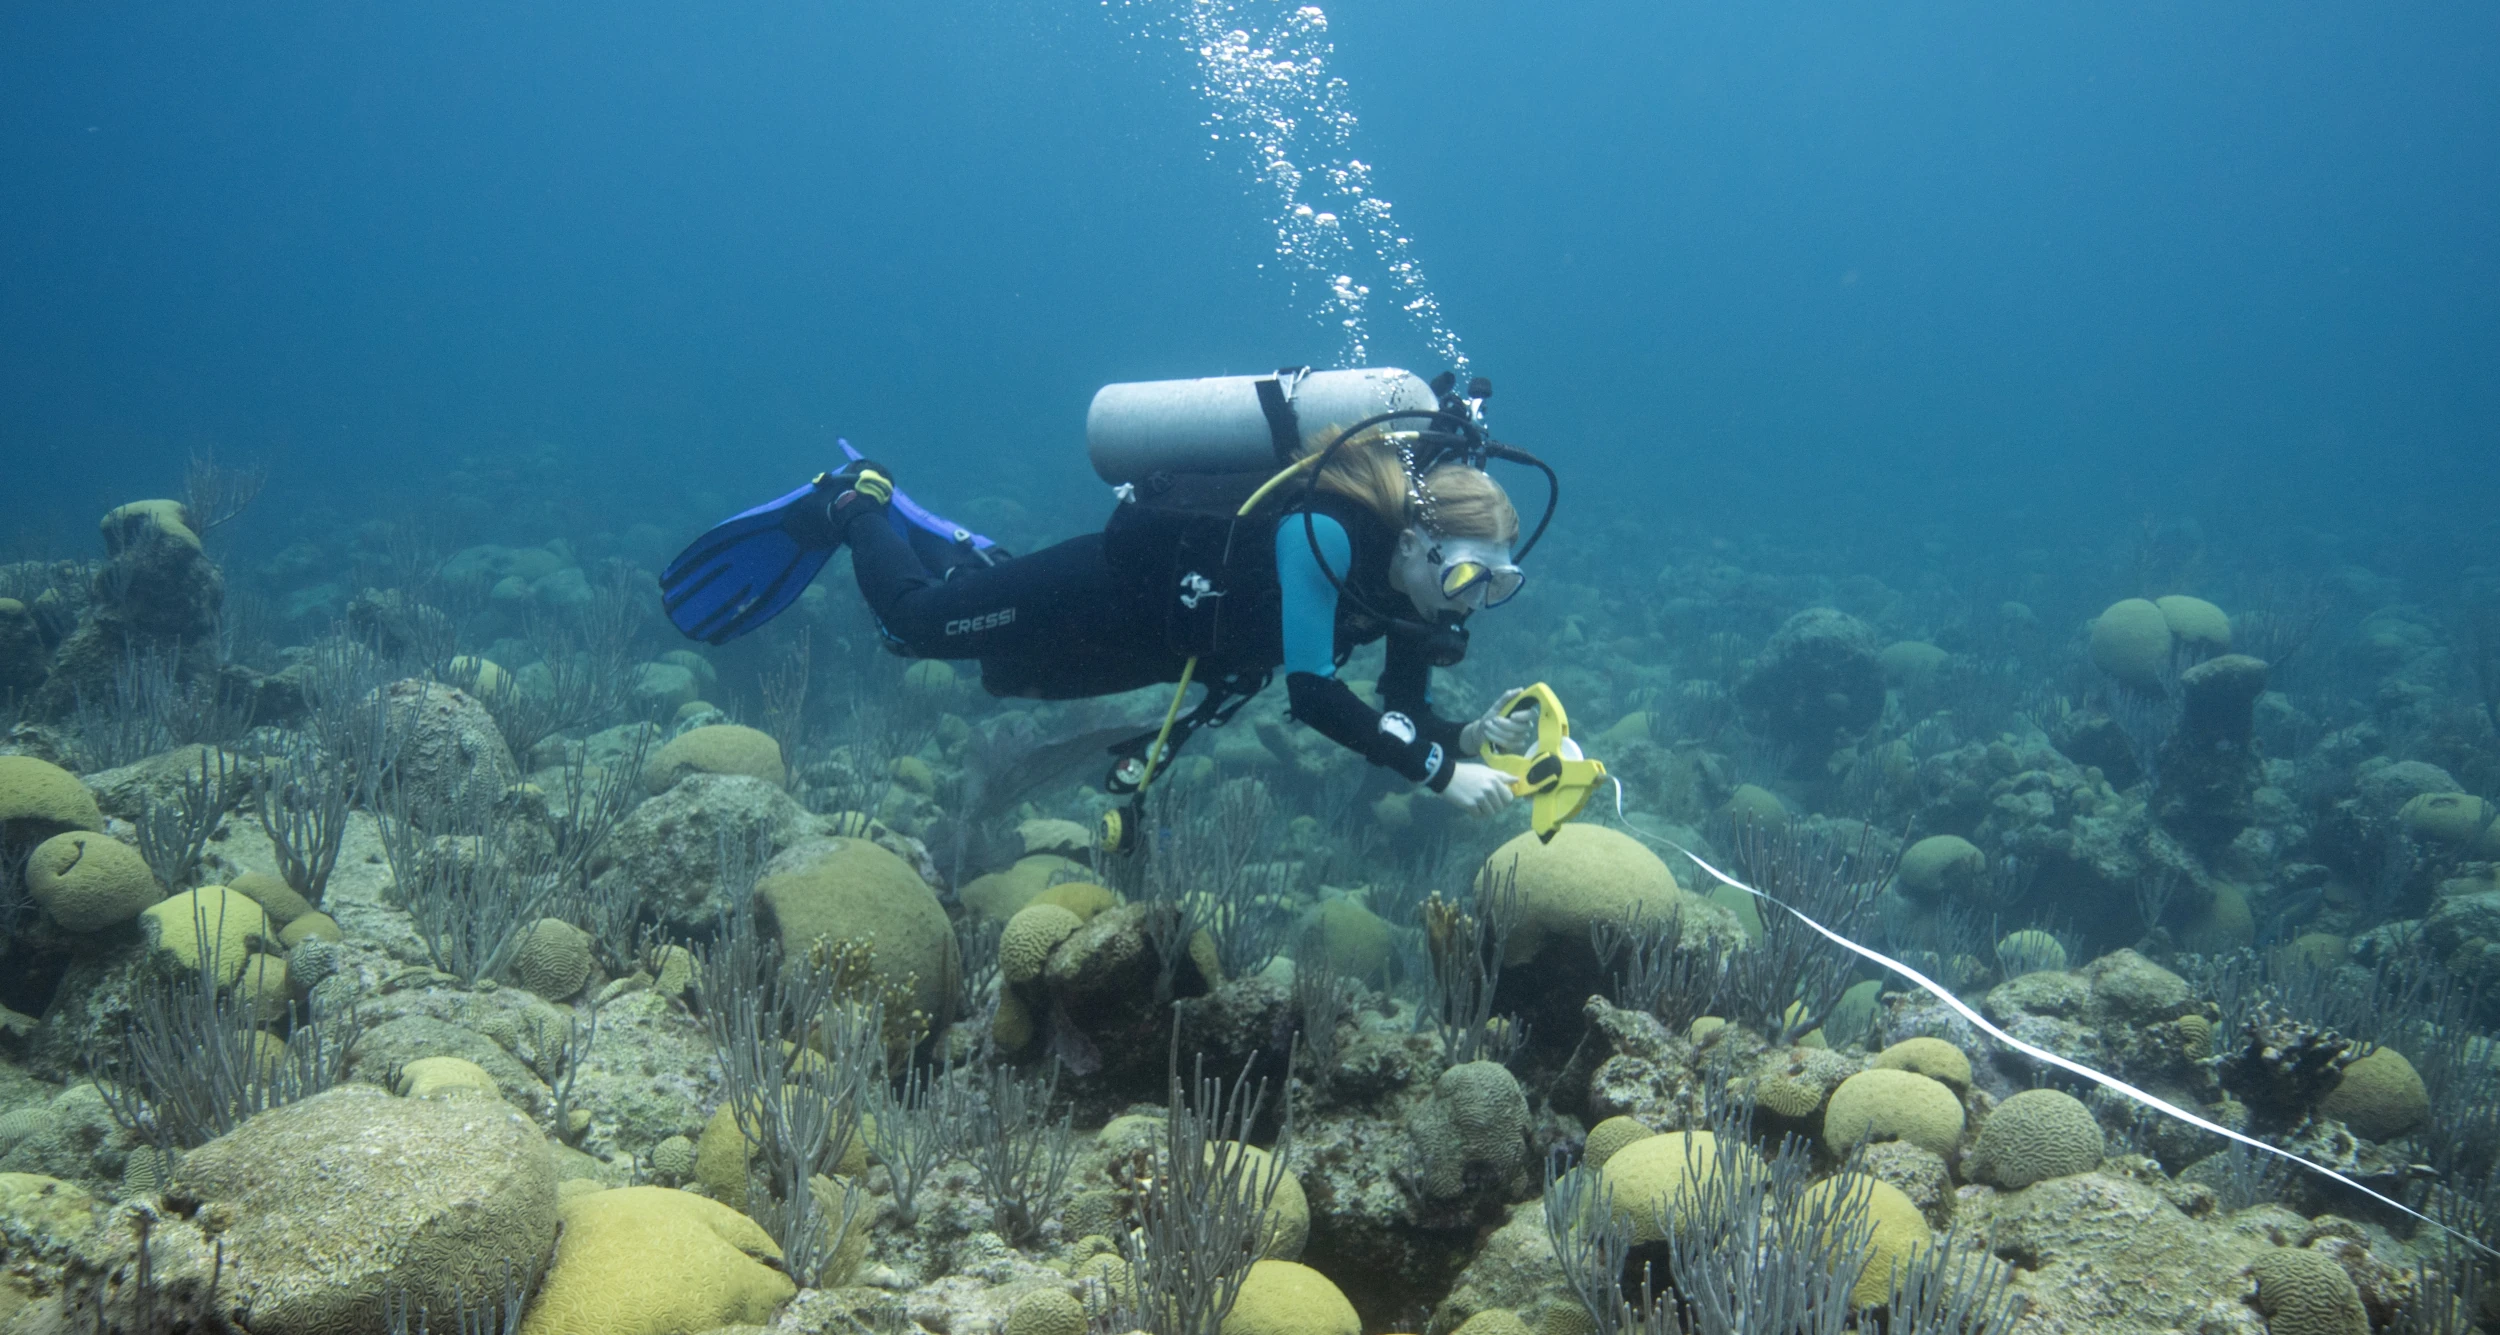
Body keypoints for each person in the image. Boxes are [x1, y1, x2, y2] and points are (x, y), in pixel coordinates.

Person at [661, 398, 1544, 821]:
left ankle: (970, 558)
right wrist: (1434, 771)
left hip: (1167, 648)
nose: (1472, 603)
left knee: (1002, 672)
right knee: (915, 630)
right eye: (1470, 579)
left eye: (1496, 587)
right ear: (1425, 543)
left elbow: (1402, 707)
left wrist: (1467, 738)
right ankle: (855, 501)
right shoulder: (1328, 534)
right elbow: (1313, 693)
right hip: (1117, 588)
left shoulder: (1410, 588)